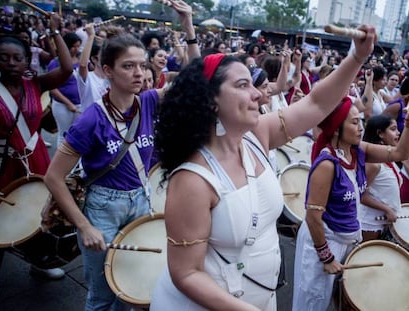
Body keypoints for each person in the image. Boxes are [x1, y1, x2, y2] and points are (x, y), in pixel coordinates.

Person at [149, 25, 376, 310]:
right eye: (243, 85)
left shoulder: (257, 135)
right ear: (211, 100)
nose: (259, 94)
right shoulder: (192, 179)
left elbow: (317, 103)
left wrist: (356, 57)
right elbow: (186, 273)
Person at [43, 1, 198, 310]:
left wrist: (188, 24)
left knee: (128, 292)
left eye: (142, 65)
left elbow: (195, 78)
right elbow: (53, 177)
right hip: (102, 208)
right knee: (101, 297)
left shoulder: (150, 102)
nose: (139, 73)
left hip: (140, 200)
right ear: (108, 71)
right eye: (128, 66)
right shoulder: (92, 119)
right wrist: (84, 226)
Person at [292, 95, 409, 310]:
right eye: (354, 122)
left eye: (361, 122)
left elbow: (400, 153)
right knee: (312, 305)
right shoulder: (327, 164)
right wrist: (326, 257)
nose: (360, 128)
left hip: (347, 241)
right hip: (324, 243)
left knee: (340, 303)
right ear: (337, 128)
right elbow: (313, 216)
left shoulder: (358, 151)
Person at [0, 12, 73, 300]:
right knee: (0, 218)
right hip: (2, 164)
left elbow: (67, 69)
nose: (11, 64)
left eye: (17, 58)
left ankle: (39, 264)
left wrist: (56, 33)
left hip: (36, 157)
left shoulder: (36, 85)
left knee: (39, 215)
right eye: (4, 58)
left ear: (27, 60)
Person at [359, 114, 401, 241]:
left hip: (384, 221)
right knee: (366, 257)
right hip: (370, 223)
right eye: (393, 129)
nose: (398, 133)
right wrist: (387, 209)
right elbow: (361, 195)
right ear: (380, 133)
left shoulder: (388, 157)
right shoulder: (373, 164)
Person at [47, 32, 81, 147]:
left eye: (78, 46)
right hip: (62, 105)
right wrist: (68, 103)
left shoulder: (82, 61)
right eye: (73, 46)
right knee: (64, 135)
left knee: (78, 135)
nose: (76, 49)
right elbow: (52, 87)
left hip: (80, 104)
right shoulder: (55, 63)